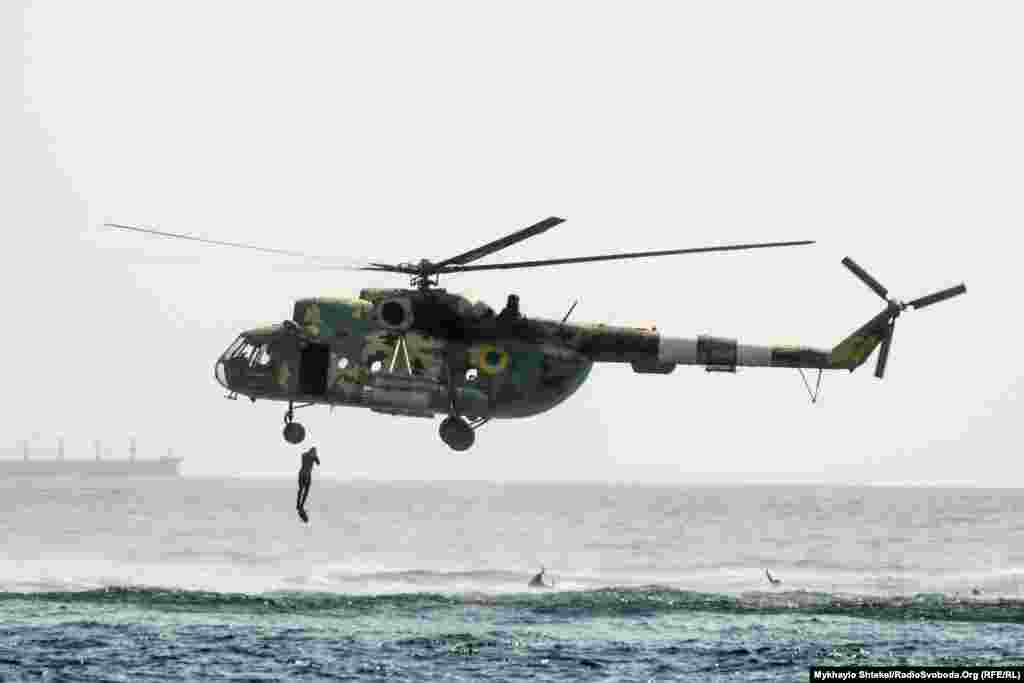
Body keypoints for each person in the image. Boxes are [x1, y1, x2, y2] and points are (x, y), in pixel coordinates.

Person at [296, 446, 320, 523]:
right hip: (306, 475)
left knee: (301, 490)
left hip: (302, 474)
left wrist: (313, 455)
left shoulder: (305, 455)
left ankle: (298, 504)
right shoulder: (312, 457)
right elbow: (318, 463)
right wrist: (315, 456)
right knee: (305, 490)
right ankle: (301, 505)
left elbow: (304, 454)